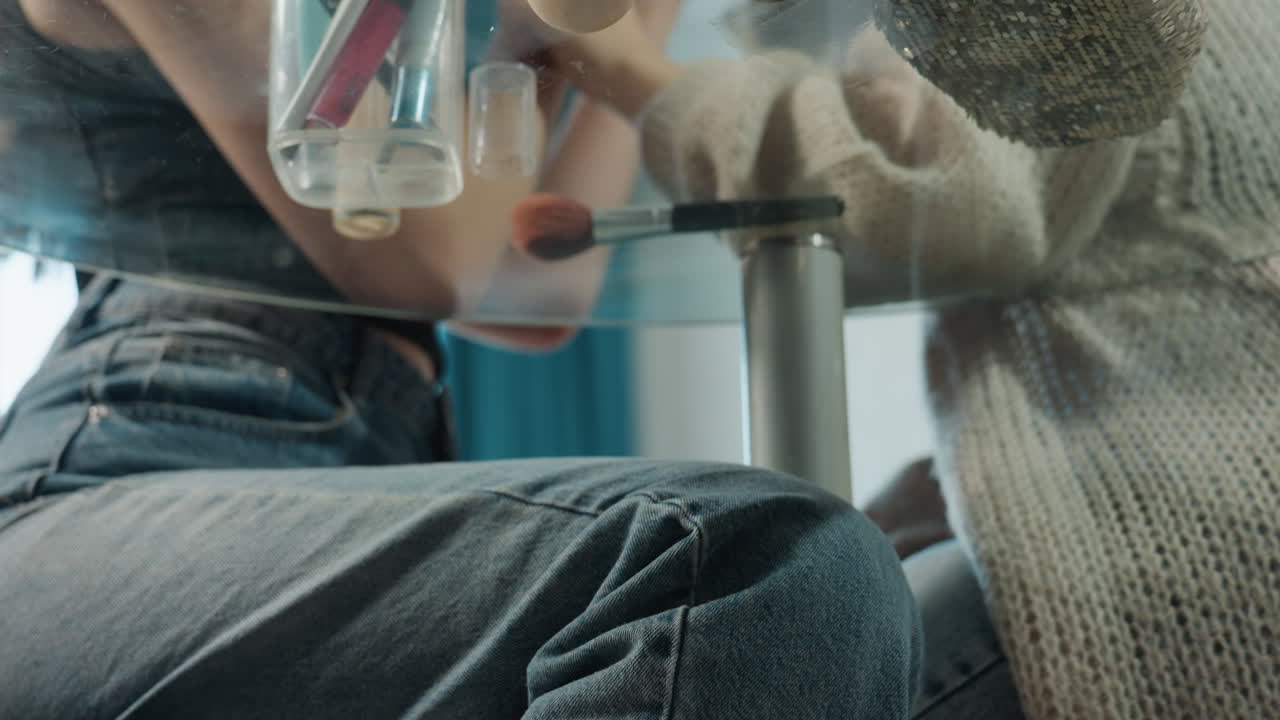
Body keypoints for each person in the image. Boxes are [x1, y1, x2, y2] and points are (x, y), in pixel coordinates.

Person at [0, 1, 925, 717]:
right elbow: (429, 264)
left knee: (831, 599)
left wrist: (627, 26)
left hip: (355, 444)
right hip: (144, 434)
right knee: (752, 560)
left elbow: (533, 289)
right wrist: (542, 36)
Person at [542, 0, 1280, 718]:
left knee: (751, 675)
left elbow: (917, 197)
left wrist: (626, 67)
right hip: (1219, 502)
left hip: (1184, 551)